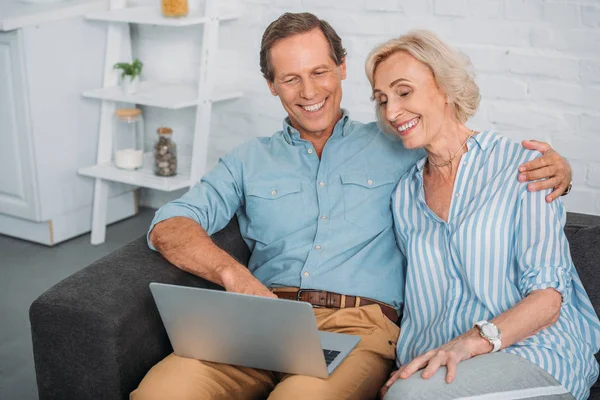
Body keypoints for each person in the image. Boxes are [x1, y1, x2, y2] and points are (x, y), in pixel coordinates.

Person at [132, 13, 572, 400]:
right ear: (271, 85)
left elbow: (459, 144)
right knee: (160, 392)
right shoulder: (248, 160)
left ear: (342, 69)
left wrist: (553, 168)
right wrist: (234, 274)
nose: (309, 91)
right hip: (259, 319)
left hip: (357, 328)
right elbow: (169, 224)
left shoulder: (399, 140)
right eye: (290, 79)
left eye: (320, 71)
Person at [366, 30, 599, 400]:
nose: (392, 112)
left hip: (534, 353)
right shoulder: (404, 195)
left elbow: (548, 299)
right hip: (445, 366)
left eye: (404, 92)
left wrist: (470, 343)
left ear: (444, 86)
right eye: (382, 100)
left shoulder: (523, 167)